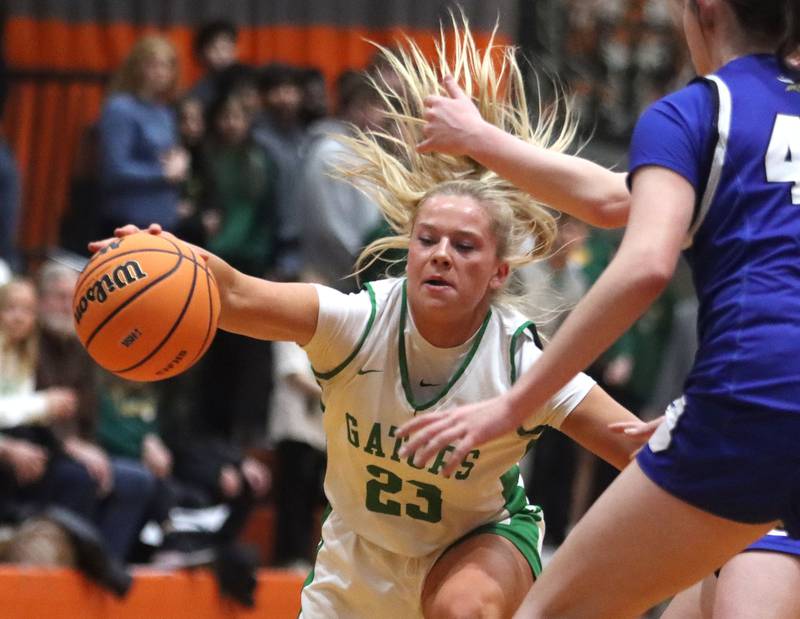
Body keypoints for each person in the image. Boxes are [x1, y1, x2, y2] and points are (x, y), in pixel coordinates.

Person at [89, 27, 648, 617]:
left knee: (462, 611)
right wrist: (166, 257)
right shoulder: (356, 321)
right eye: (427, 240)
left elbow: (635, 448)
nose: (439, 254)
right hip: (357, 557)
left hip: (478, 544)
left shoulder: (520, 360)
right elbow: (234, 294)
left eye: (464, 246)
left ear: (498, 274)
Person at [397, 2, 800, 616]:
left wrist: (513, 404)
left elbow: (643, 263)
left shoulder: (698, 111)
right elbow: (615, 198)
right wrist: (479, 137)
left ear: (706, 11)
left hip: (754, 404)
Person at [97, 35, 188, 233]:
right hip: (129, 219)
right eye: (153, 65)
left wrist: (179, 163)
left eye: (167, 66)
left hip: (164, 218)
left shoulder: (164, 111)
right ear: (137, 67)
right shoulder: (120, 108)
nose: (161, 73)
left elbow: (167, 158)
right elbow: (115, 169)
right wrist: (163, 174)